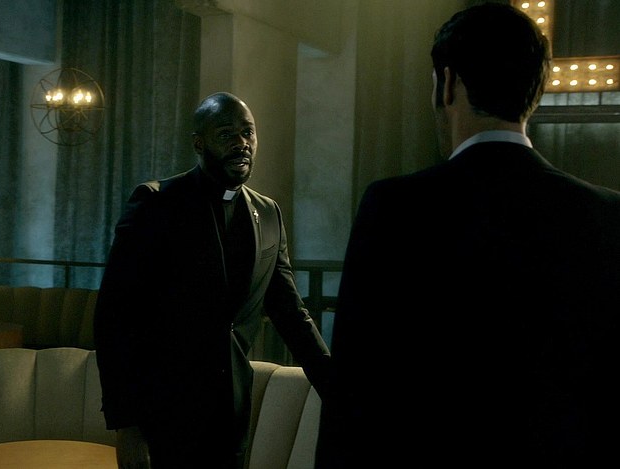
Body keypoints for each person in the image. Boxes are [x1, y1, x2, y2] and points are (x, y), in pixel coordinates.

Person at [316, 3, 620, 468]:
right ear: (535, 90)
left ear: (447, 83)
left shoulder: (395, 208)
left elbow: (355, 391)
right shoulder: (606, 215)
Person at [94, 91, 332, 469]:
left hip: (231, 419)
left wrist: (336, 387)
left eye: (247, 132)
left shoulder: (269, 213)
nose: (241, 143)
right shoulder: (157, 203)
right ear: (198, 144)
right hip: (161, 417)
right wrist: (127, 425)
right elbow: (114, 318)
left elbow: (290, 312)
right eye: (226, 134)